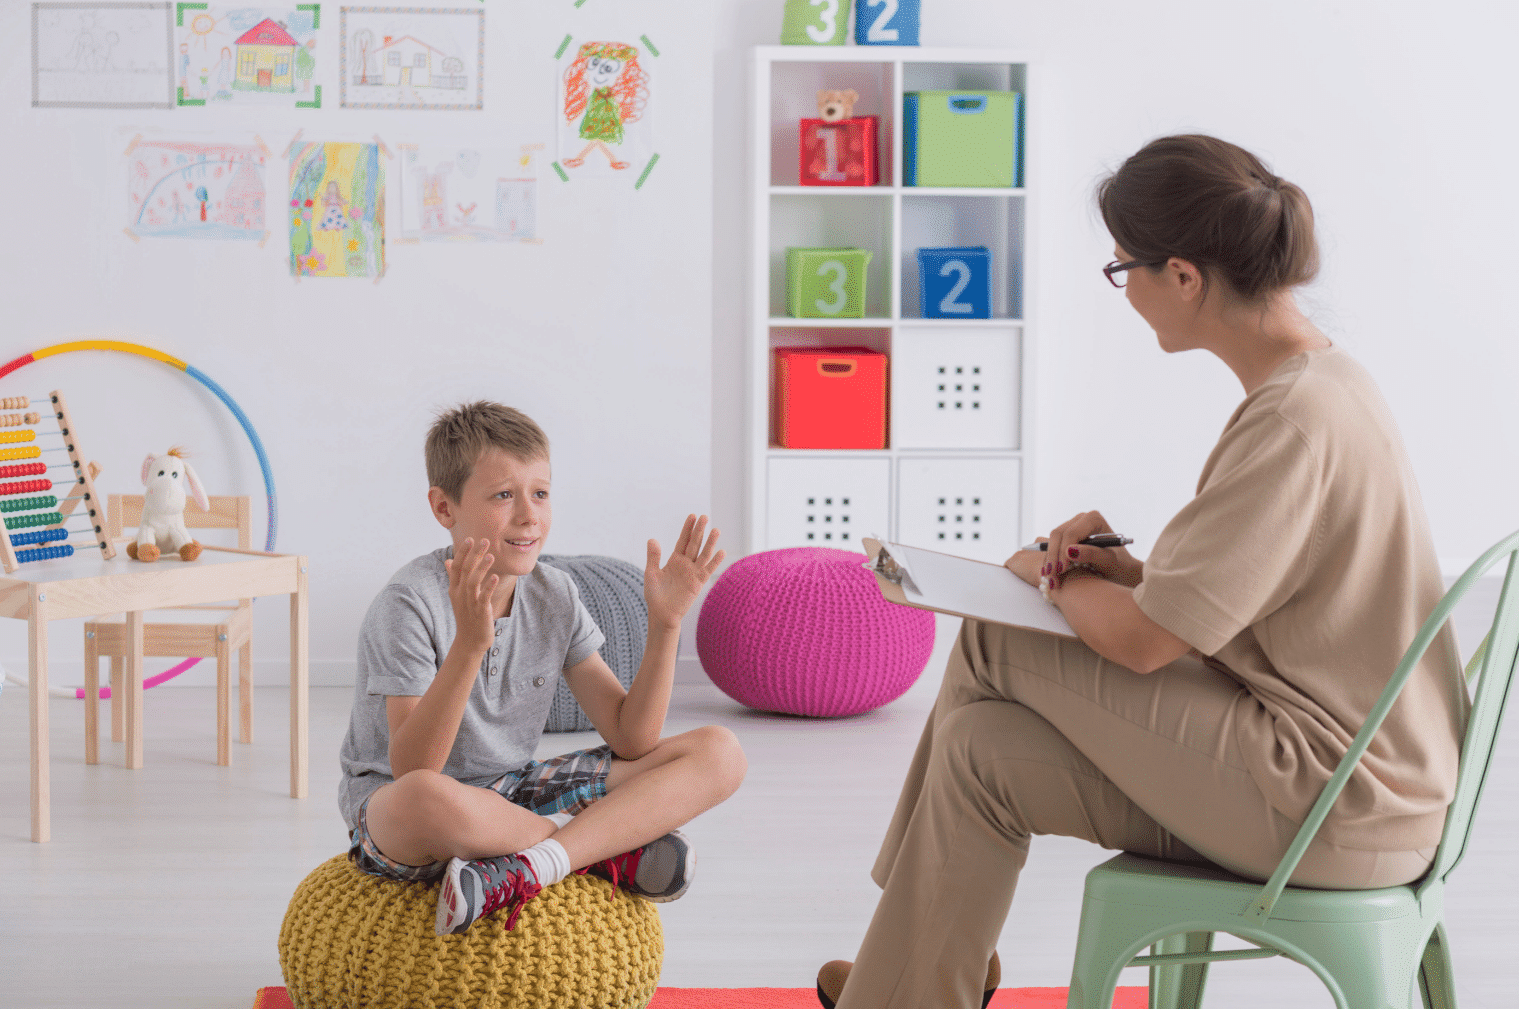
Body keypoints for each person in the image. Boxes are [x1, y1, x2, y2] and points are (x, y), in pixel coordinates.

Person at [816, 134, 1469, 1009]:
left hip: (1331, 802)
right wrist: (1122, 571)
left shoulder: (1291, 420)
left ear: (1185, 277)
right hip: (1362, 786)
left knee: (991, 641)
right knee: (982, 751)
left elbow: (1147, 645)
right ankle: (917, 975)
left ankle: (908, 974)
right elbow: (1252, 595)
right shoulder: (1323, 384)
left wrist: (1049, 575)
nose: (1124, 292)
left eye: (1124, 270)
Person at [338, 401, 746, 936]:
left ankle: (534, 863)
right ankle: (592, 848)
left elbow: (631, 738)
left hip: (514, 793)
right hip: (409, 817)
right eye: (504, 495)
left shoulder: (555, 592)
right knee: (425, 798)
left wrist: (666, 625)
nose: (530, 515)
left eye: (541, 493)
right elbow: (415, 767)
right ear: (444, 507)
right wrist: (469, 646)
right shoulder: (408, 604)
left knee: (720, 752)